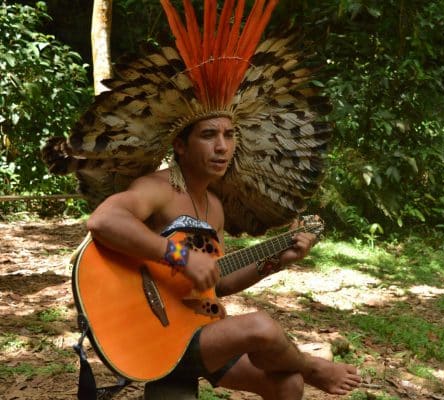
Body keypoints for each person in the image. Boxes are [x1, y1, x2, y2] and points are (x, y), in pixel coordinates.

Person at [85, 115, 362, 399]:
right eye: (208, 135)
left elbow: (220, 281)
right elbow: (104, 220)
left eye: (229, 135)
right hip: (151, 333)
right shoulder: (157, 188)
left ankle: (175, 383)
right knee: (260, 326)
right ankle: (312, 368)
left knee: (287, 386)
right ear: (180, 145)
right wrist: (181, 256)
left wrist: (279, 259)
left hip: (196, 326)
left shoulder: (214, 206)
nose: (222, 147)